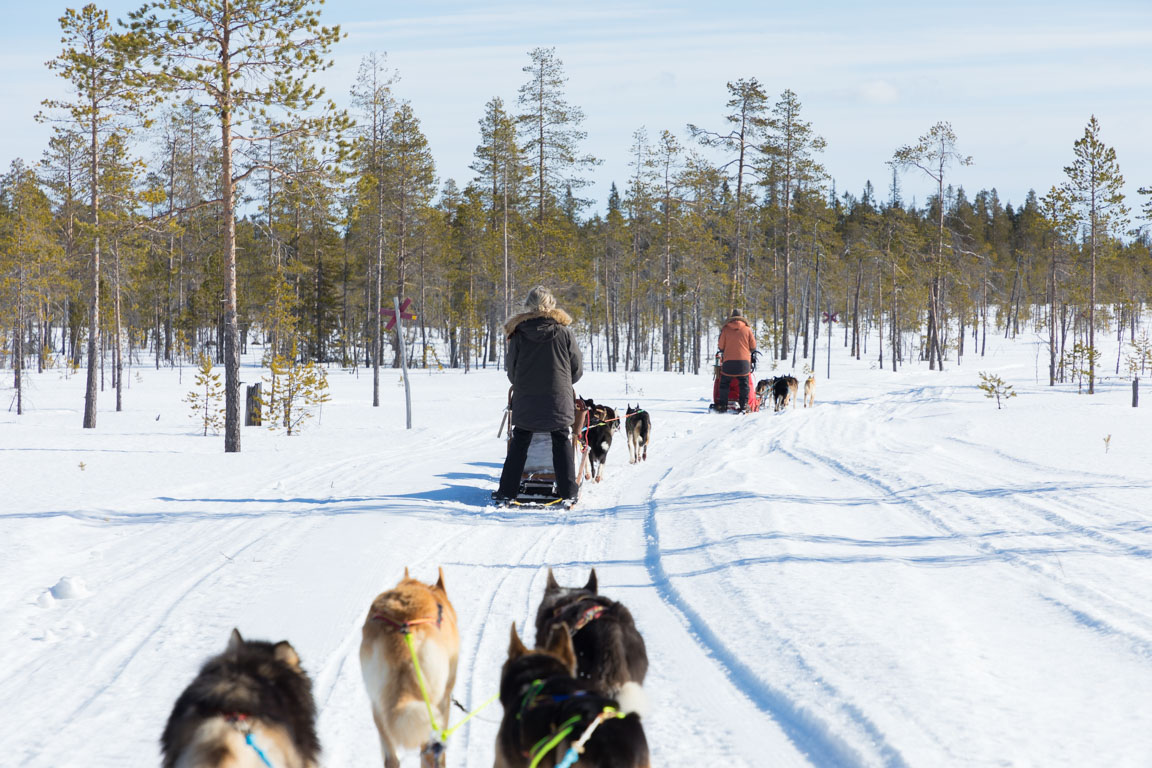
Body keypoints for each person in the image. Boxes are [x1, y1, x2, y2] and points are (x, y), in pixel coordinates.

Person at [493, 286, 583, 502]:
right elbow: (576, 369)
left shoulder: (518, 334)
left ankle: (507, 491)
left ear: (528, 304)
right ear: (551, 304)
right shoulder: (564, 333)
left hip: (527, 401)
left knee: (520, 441)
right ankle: (569, 492)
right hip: (558, 400)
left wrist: (525, 385)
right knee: (561, 439)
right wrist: (562, 383)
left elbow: (512, 371)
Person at [715, 309, 757, 412]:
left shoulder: (725, 329)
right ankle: (744, 406)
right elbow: (753, 346)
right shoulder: (747, 330)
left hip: (728, 363)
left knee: (724, 383)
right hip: (743, 363)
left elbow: (721, 346)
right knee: (744, 384)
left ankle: (723, 405)